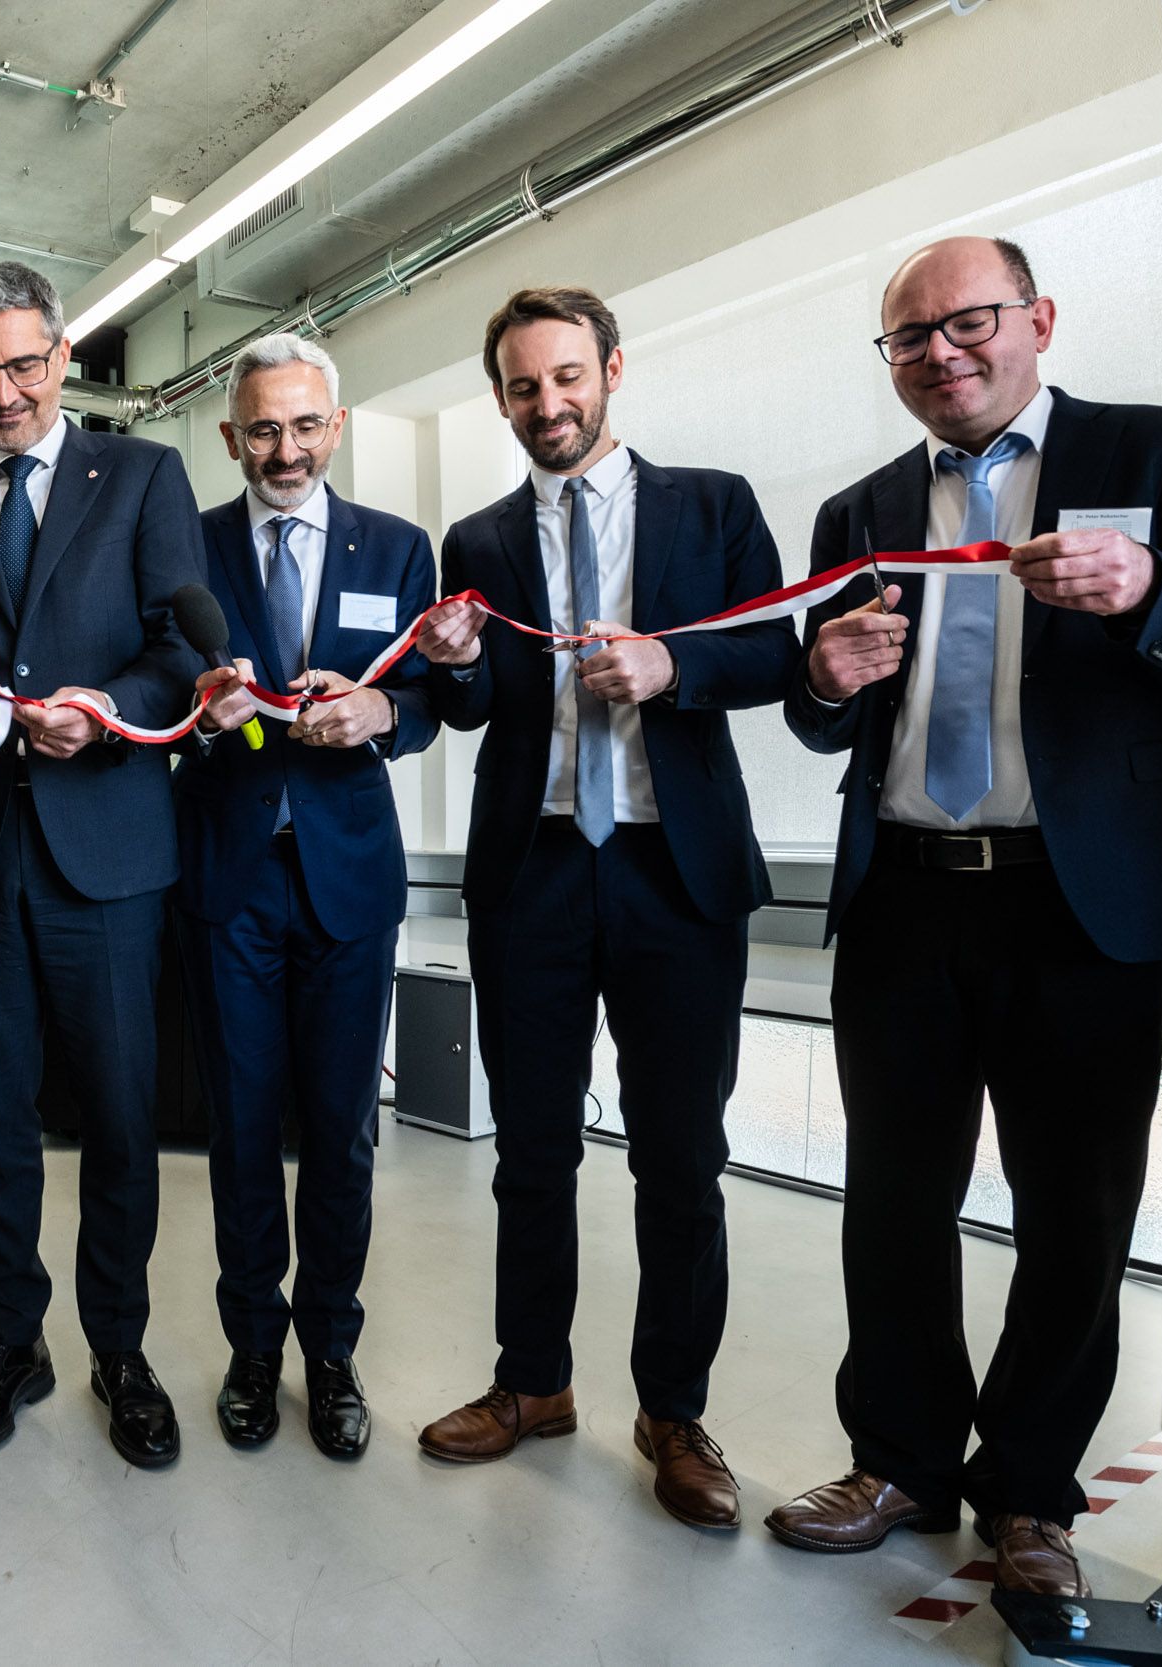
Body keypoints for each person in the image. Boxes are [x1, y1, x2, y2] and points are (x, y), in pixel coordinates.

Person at [767, 237, 1162, 1597]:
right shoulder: (859, 511)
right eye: (909, 337)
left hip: (1082, 903)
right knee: (892, 1199)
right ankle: (898, 1457)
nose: (942, 354)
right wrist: (822, 675)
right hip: (907, 892)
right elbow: (818, 707)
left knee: (1075, 1210)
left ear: (1039, 319)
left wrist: (1154, 594)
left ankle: (1030, 1490)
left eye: (969, 323)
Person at [411, 285, 798, 1530]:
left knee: (681, 1159)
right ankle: (533, 1382)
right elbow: (468, 714)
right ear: (500, 398)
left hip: (673, 874)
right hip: (532, 872)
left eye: (567, 377)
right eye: (524, 387)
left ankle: (672, 1408)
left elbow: (777, 653)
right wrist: (457, 668)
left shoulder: (713, 504)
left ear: (612, 371)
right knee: (530, 1151)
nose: (549, 405)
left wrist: (672, 661)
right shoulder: (474, 537)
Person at [0, 260, 204, 1468]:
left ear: (63, 357)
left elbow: (182, 648)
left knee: (122, 1117)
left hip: (107, 848)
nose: (3, 390)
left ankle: (119, 1348)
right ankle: (10, 1337)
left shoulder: (141, 475)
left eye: (24, 364)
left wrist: (109, 711)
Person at [175, 333, 438, 1459]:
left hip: (348, 876)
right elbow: (163, 692)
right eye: (261, 429)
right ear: (232, 437)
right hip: (230, 870)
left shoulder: (398, 546)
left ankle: (330, 1350)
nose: (283, 448)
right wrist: (197, 708)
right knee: (241, 1131)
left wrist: (381, 715)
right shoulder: (182, 551)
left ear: (335, 427)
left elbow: (428, 696)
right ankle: (252, 1349)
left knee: (339, 1132)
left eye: (303, 425)